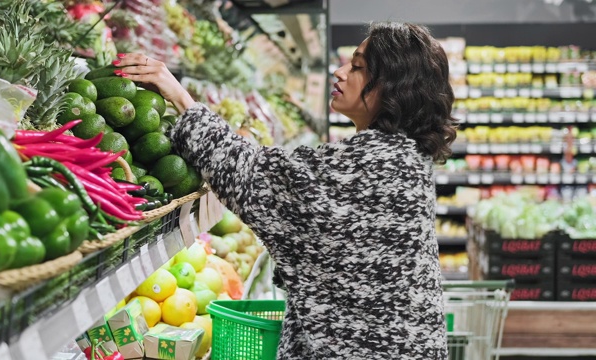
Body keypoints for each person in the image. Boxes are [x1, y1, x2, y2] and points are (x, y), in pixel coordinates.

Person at [113, 21, 456, 359]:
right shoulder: (401, 156)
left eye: (357, 67)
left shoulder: (372, 166)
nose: (338, 72)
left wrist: (179, 97)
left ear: (393, 86)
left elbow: (253, 175)